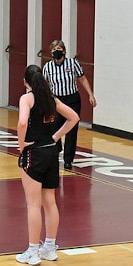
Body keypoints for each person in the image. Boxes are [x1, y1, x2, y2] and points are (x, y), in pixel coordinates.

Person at [15, 64, 80, 266]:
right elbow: (74, 117)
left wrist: (21, 144)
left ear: (25, 81)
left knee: (33, 204)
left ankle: (33, 251)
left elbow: (23, 123)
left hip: (34, 152)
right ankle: (49, 248)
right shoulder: (51, 99)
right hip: (52, 151)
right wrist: (55, 136)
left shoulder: (27, 98)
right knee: (49, 202)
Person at [42, 40, 96, 169]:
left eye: (59, 48)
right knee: (54, 127)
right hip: (56, 101)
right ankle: (56, 148)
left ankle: (68, 160)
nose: (57, 51)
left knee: (72, 130)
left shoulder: (72, 63)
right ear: (51, 53)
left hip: (72, 100)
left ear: (64, 51)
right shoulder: (47, 67)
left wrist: (90, 94)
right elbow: (45, 85)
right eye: (54, 49)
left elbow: (82, 78)